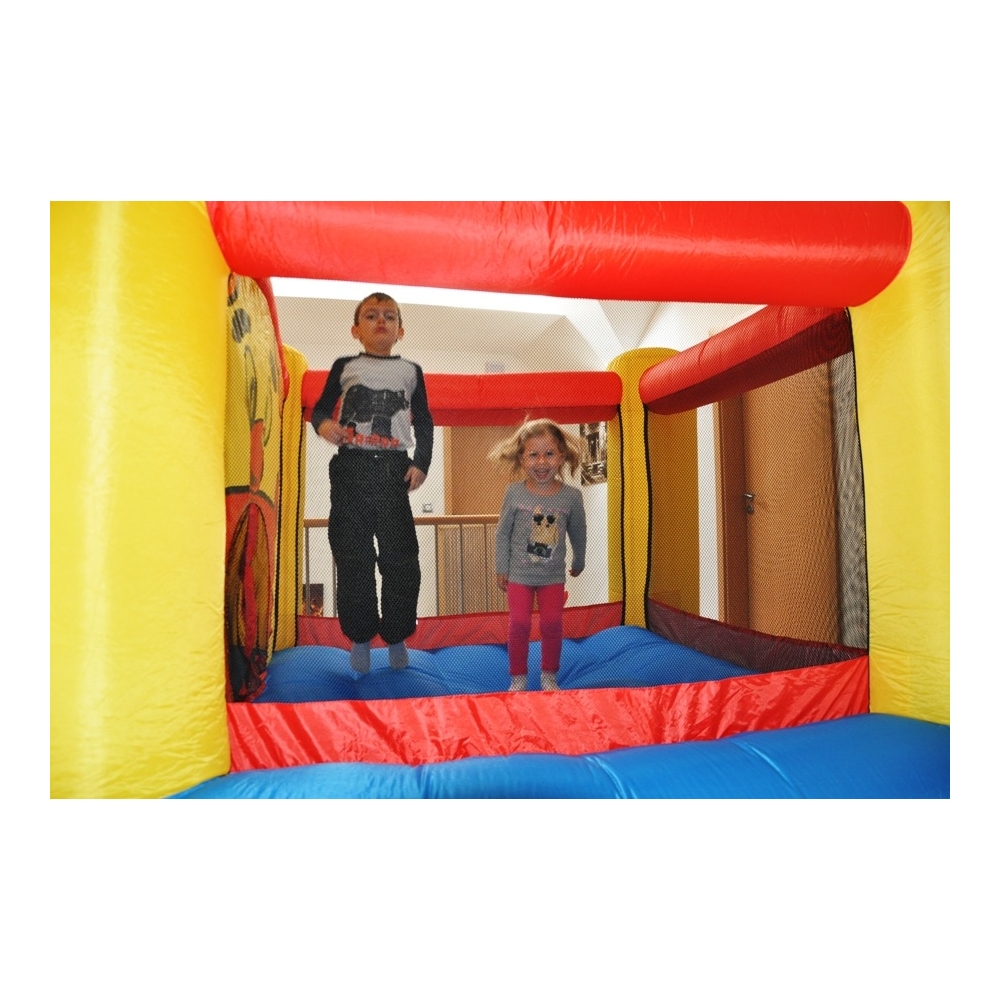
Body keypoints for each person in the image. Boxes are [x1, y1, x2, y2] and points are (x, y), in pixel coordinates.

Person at [311, 292, 433, 674]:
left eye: (389, 316)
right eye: (371, 315)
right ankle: (360, 637)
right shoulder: (344, 365)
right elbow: (320, 409)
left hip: (394, 469)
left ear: (400, 331)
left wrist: (421, 462)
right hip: (351, 468)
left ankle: (396, 635)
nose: (381, 321)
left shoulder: (411, 371)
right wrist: (324, 425)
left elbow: (424, 420)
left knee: (401, 558)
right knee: (353, 556)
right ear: (356, 330)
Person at [490, 419, 587, 691]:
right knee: (519, 623)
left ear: (561, 457)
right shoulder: (514, 493)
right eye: (533, 454)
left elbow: (578, 530)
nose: (541, 462)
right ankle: (518, 678)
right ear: (522, 458)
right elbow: (502, 533)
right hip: (519, 574)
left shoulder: (571, 497)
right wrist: (501, 567)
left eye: (549, 454)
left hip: (552, 575)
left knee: (552, 623)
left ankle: (549, 676)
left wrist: (579, 559)